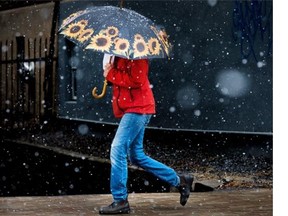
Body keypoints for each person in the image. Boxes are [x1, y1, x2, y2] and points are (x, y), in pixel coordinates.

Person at [99, 54, 193, 214]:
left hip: (138, 108)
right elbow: (123, 79)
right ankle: (180, 181)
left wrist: (111, 74)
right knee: (136, 156)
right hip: (132, 108)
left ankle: (120, 200)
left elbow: (137, 80)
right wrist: (109, 76)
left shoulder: (137, 54)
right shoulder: (118, 53)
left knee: (117, 149)